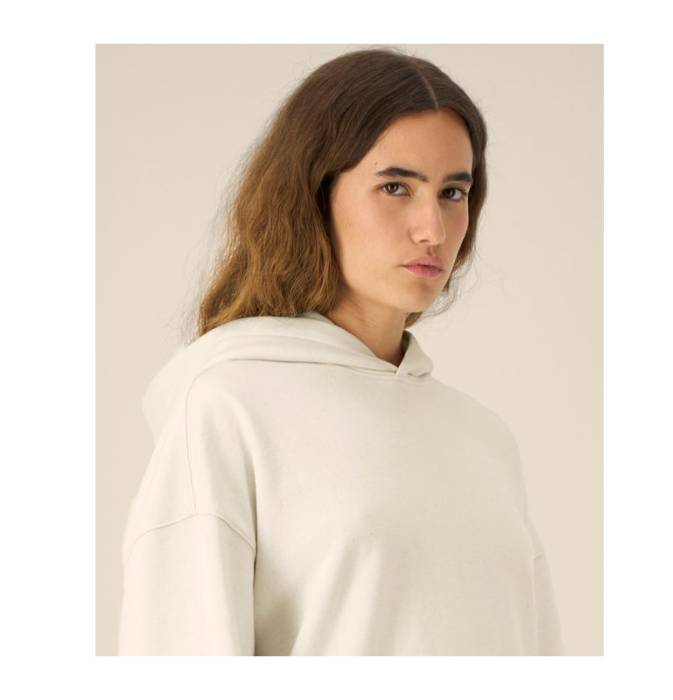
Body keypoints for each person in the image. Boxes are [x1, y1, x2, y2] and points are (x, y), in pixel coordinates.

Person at [118, 47, 565, 655]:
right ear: (313, 194)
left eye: (453, 192)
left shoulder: (484, 438)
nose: (433, 229)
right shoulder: (226, 408)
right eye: (395, 186)